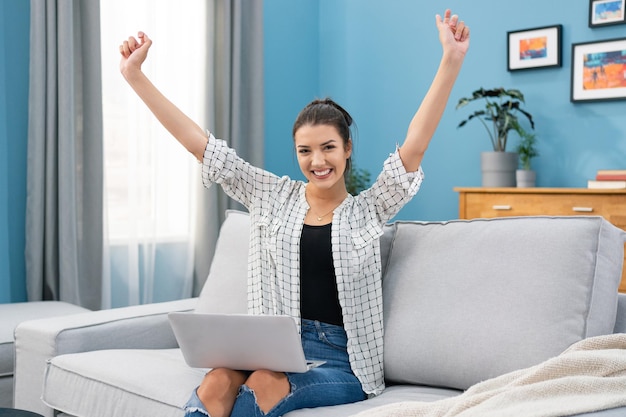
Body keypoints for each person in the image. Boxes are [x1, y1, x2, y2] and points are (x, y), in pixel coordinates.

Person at [119, 8, 469, 417]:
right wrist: (135, 77)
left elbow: (415, 146)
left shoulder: (368, 210)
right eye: (305, 150)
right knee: (216, 381)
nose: (317, 161)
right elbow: (202, 145)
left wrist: (451, 59)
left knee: (264, 382)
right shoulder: (273, 196)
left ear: (347, 149)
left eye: (328, 148)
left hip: (343, 359)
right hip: (272, 347)